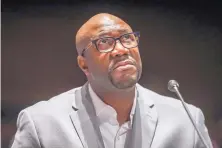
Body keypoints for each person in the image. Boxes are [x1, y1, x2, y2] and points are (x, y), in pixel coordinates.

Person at [11, 13, 213, 148]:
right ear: (84, 64)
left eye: (127, 38)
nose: (122, 49)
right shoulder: (41, 122)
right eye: (104, 42)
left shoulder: (186, 120)